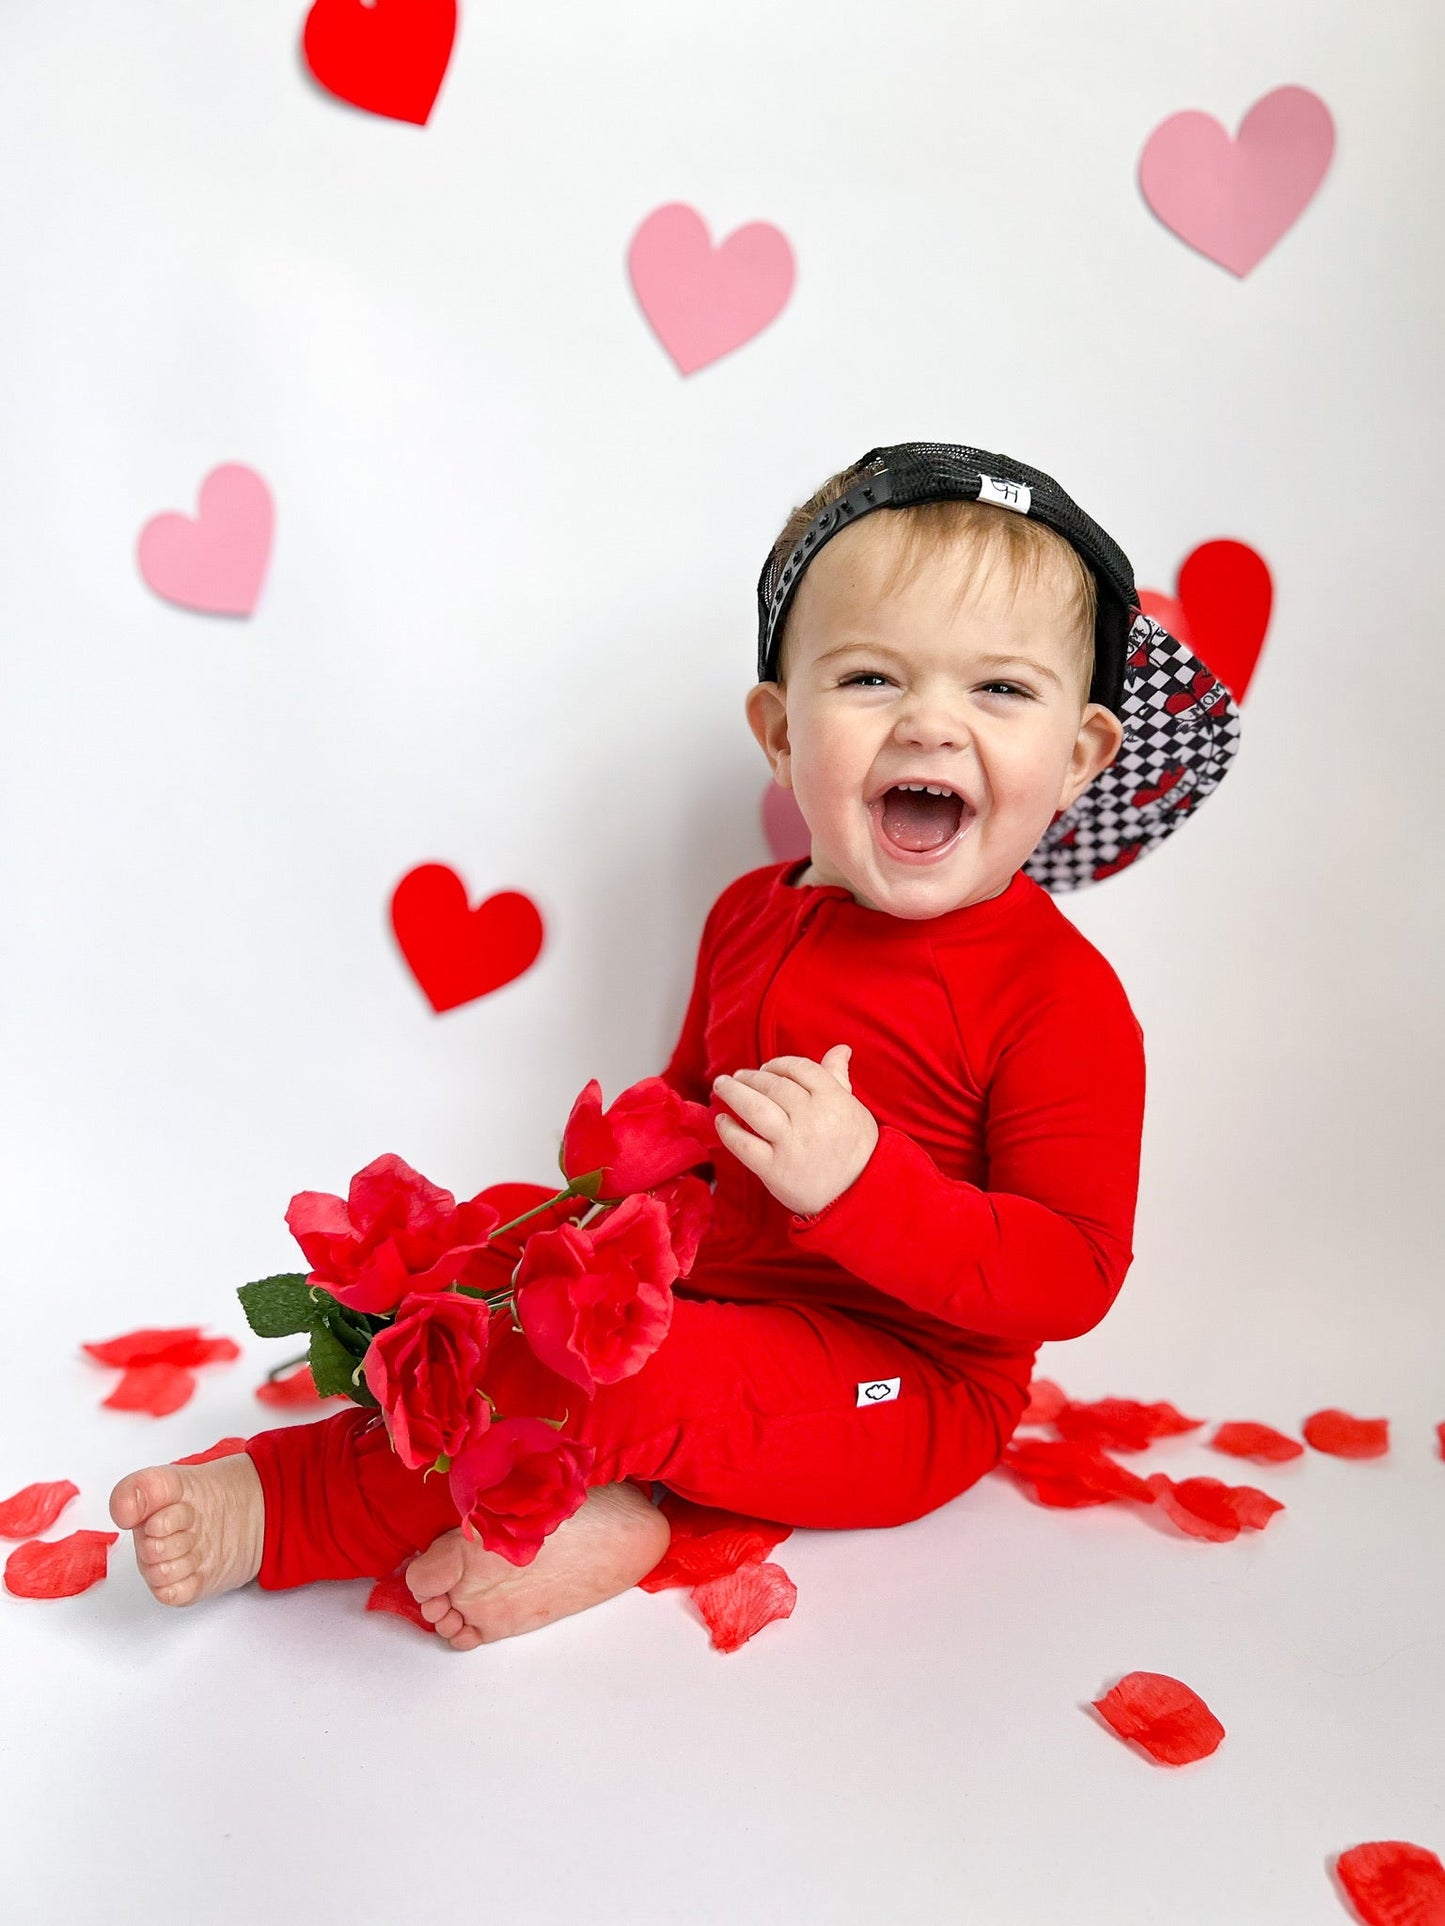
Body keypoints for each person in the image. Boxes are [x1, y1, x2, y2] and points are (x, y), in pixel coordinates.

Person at [108, 442, 1241, 1650]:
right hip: (721, 1315)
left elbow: (1068, 1273)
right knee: (510, 1268)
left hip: (904, 1387)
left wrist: (862, 1188)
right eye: (868, 678)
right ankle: (604, 1510)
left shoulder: (1057, 1001)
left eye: (999, 692)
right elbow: (685, 1119)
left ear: (1076, 757)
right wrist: (570, 1236)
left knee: (615, 1376)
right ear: (777, 730)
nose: (930, 723)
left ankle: (286, 1509)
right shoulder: (749, 913)